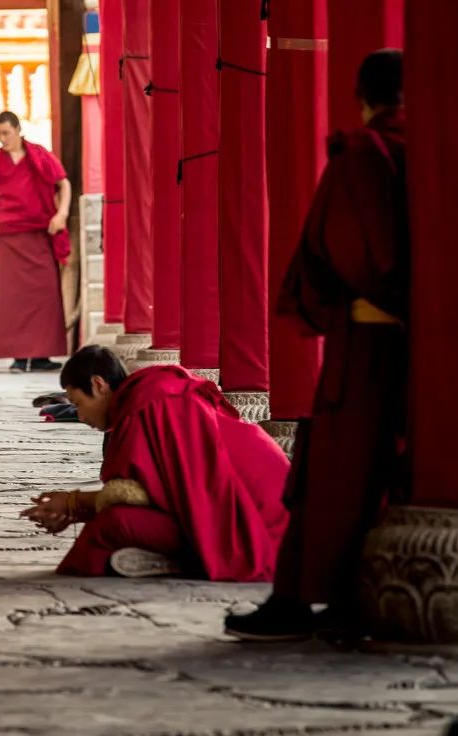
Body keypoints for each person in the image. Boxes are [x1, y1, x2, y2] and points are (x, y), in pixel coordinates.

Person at [225, 49, 407, 642]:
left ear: (363, 97)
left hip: (368, 344)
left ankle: (303, 600)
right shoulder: (425, 147)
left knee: (333, 472)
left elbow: (349, 251)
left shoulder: (364, 154)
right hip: (425, 344)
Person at [22, 345, 290, 578]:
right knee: (110, 524)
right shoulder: (141, 401)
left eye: (78, 404)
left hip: (259, 520)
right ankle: (181, 559)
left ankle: (186, 562)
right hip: (250, 507)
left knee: (113, 524)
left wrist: (73, 502)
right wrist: (74, 507)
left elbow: (141, 492)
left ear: (98, 385)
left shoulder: (152, 403)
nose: (79, 416)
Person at [0, 111, 69, 373]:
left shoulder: (39, 155)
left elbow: (64, 183)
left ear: (17, 130)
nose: (3, 139)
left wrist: (62, 214)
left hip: (38, 235)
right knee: (10, 299)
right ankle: (17, 355)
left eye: (6, 133)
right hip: (9, 239)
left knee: (44, 296)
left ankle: (40, 356)